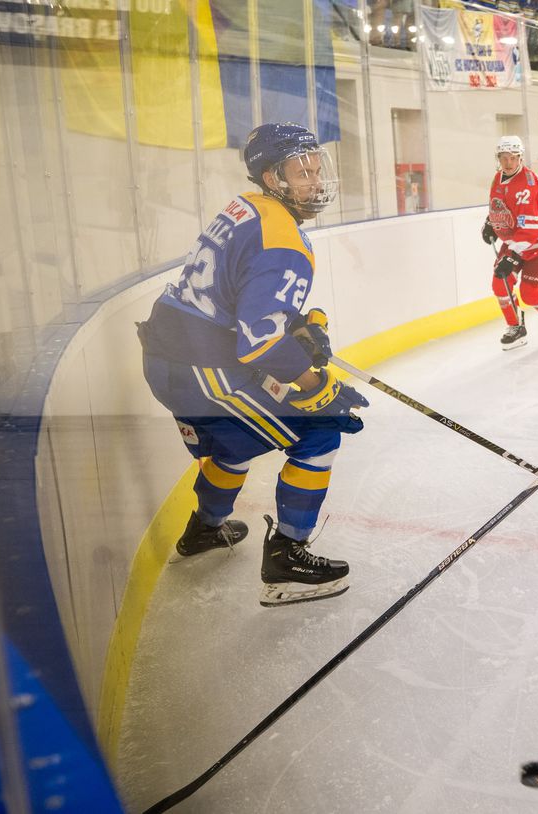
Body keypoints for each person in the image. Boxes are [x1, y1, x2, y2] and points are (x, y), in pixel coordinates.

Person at [137, 122, 368, 607]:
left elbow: (238, 292)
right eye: (301, 173)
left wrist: (296, 324)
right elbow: (259, 345)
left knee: (236, 439)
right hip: (202, 370)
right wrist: (315, 385)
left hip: (170, 355)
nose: (315, 181)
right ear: (271, 178)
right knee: (320, 431)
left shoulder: (247, 207)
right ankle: (286, 559)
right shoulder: (284, 240)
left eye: (316, 169)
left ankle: (205, 529)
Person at [481, 136, 538, 350]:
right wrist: (491, 222)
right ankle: (516, 327)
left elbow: (531, 230)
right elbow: (500, 205)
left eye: (513, 158)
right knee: (500, 282)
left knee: (529, 293)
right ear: (498, 158)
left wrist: (512, 256)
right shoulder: (498, 178)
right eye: (504, 158)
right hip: (517, 239)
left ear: (520, 158)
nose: (508, 163)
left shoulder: (527, 185)